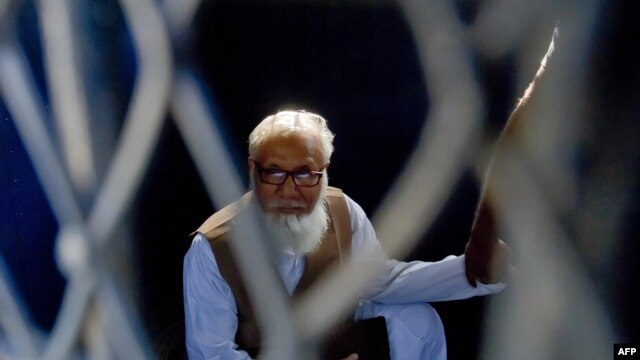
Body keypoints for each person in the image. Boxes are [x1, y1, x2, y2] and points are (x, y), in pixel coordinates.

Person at [183, 110, 508, 360]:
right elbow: (212, 354)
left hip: (330, 346)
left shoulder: (342, 210)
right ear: (253, 171)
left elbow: (383, 281)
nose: (290, 191)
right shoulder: (211, 247)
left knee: (417, 319)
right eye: (276, 172)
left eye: (306, 174)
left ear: (324, 171)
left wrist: (472, 270)